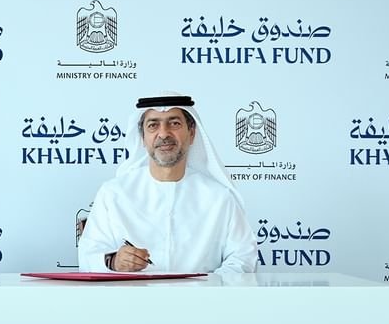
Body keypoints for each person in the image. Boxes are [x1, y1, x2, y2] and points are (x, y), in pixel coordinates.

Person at [78, 94, 257, 275]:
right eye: (153, 125)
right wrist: (114, 261)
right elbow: (88, 256)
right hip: (132, 294)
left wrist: (209, 285)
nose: (163, 133)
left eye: (174, 123)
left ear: (192, 133)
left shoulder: (219, 197)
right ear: (142, 138)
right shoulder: (114, 194)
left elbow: (243, 258)